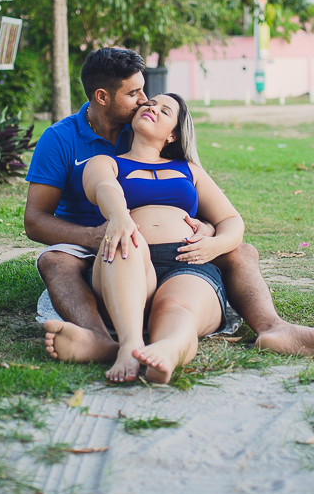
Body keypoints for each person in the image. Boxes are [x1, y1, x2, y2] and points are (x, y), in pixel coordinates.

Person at [25, 47, 314, 367]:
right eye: (135, 94)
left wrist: (208, 230)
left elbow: (215, 211)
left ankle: (274, 328)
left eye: (149, 98)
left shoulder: (150, 135)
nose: (144, 102)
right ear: (102, 97)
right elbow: (39, 219)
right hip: (98, 241)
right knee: (57, 260)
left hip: (177, 249)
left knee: (242, 252)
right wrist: (99, 232)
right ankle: (99, 338)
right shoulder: (62, 140)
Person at [78, 92, 262, 383]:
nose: (152, 108)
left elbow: (231, 220)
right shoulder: (107, 163)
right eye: (150, 103)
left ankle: (168, 350)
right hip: (130, 259)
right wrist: (120, 218)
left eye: (165, 111)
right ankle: (130, 344)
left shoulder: (189, 170)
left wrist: (215, 243)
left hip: (187, 261)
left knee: (178, 310)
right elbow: (103, 187)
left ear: (174, 134)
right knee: (128, 242)